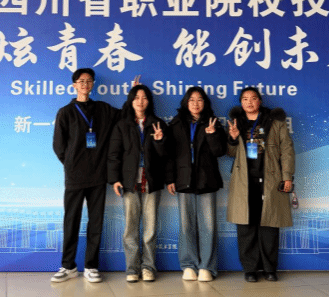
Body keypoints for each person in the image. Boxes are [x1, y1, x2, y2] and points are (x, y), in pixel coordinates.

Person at [51, 68, 121, 283]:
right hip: (75, 176)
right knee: (71, 221)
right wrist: (71, 164)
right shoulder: (65, 112)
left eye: (89, 81)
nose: (85, 84)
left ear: (93, 85)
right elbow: (58, 145)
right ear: (74, 85)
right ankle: (68, 266)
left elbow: (125, 115)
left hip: (98, 174)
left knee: (96, 222)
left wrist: (134, 94)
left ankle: (91, 266)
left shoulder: (103, 109)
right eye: (81, 81)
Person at [226, 87, 295, 282]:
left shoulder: (275, 122)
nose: (249, 102)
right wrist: (232, 138)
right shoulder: (236, 122)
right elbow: (230, 153)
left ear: (260, 101)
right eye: (245, 99)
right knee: (246, 226)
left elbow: (287, 150)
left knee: (269, 225)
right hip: (244, 180)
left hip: (270, 180)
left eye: (253, 98)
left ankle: (269, 269)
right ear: (241, 103)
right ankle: (250, 269)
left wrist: (287, 176)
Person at [166, 87, 227, 282]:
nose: (195, 103)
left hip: (206, 179)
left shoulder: (213, 122)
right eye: (191, 100)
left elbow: (220, 151)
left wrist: (212, 135)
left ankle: (207, 267)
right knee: (186, 225)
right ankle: (188, 265)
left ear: (205, 103)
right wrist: (170, 179)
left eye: (199, 100)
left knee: (208, 226)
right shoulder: (176, 123)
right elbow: (169, 155)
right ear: (186, 102)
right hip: (183, 179)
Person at [108, 85, 168, 283]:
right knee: (130, 227)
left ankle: (148, 267)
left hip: (152, 178)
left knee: (150, 228)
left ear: (149, 101)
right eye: (136, 97)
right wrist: (115, 179)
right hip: (129, 179)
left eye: (144, 98)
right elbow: (114, 154)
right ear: (131, 101)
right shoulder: (122, 124)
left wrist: (159, 141)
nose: (140, 101)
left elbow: (166, 156)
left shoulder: (158, 124)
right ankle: (132, 268)